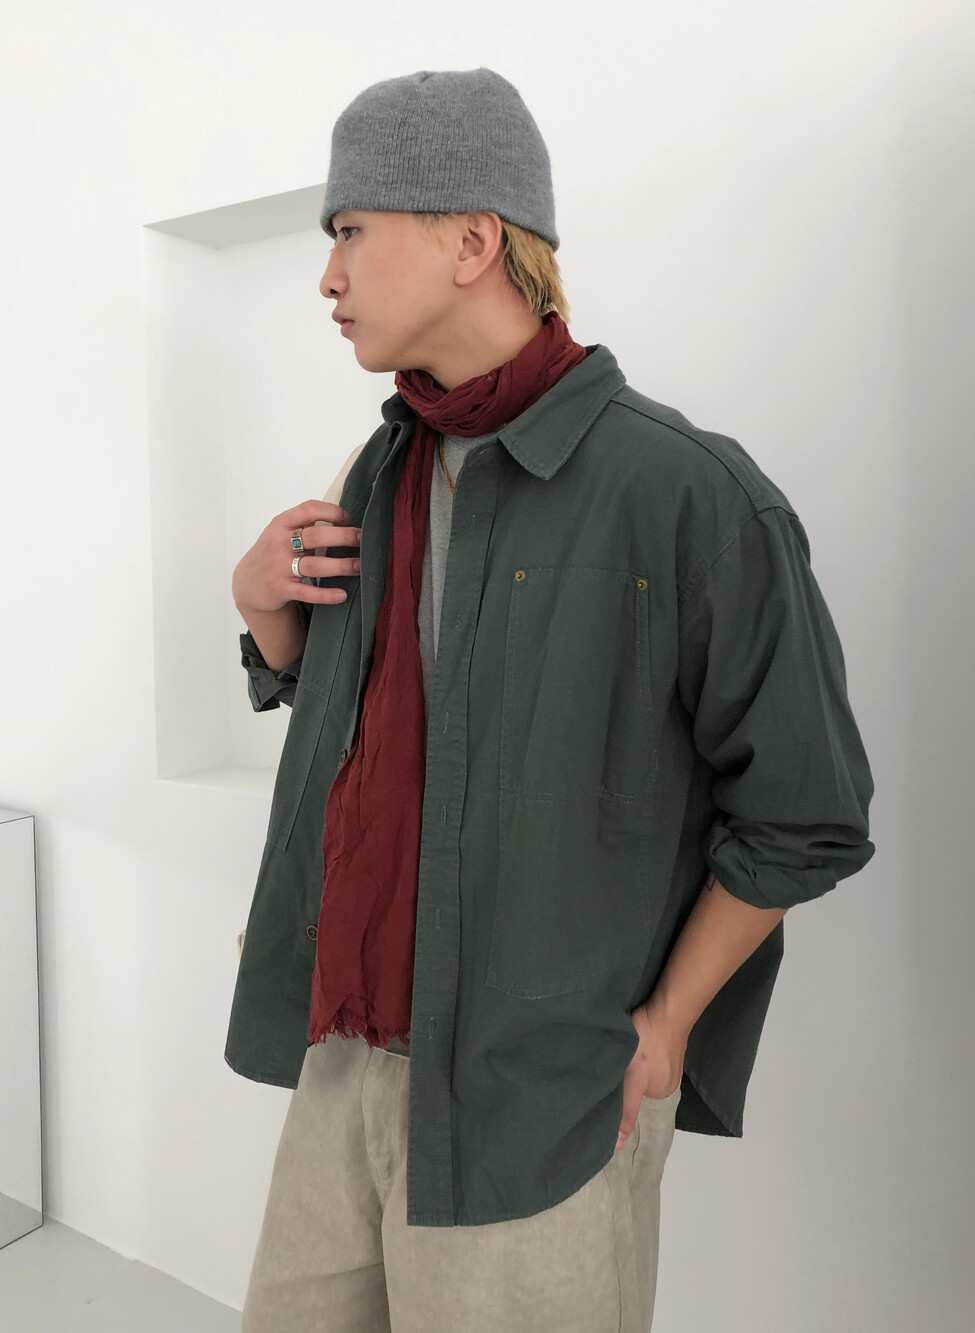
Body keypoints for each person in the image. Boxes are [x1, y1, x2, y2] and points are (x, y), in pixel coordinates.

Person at [226, 67, 876, 1333]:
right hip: (348, 1054)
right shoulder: (378, 470)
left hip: (544, 1097)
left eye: (351, 230)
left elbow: (807, 811)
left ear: (473, 241)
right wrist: (264, 614)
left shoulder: (686, 493)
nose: (328, 276)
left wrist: (666, 1024)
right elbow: (385, 731)